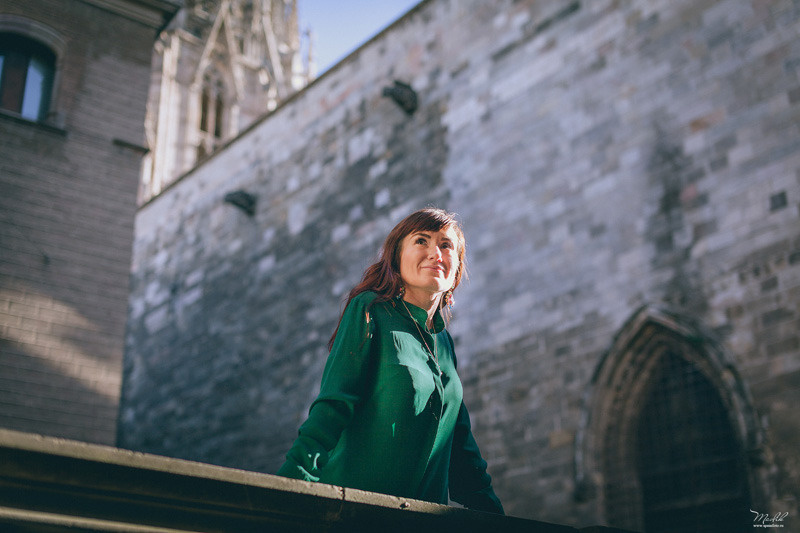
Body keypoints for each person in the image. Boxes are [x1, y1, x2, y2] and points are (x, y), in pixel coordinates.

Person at [277, 208, 504, 514]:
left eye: (446, 245)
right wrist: (287, 489)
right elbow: (332, 407)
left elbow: (462, 451)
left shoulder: (444, 343)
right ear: (396, 258)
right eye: (421, 241)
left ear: (457, 268)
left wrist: (497, 518)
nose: (435, 253)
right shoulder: (370, 311)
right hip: (355, 515)